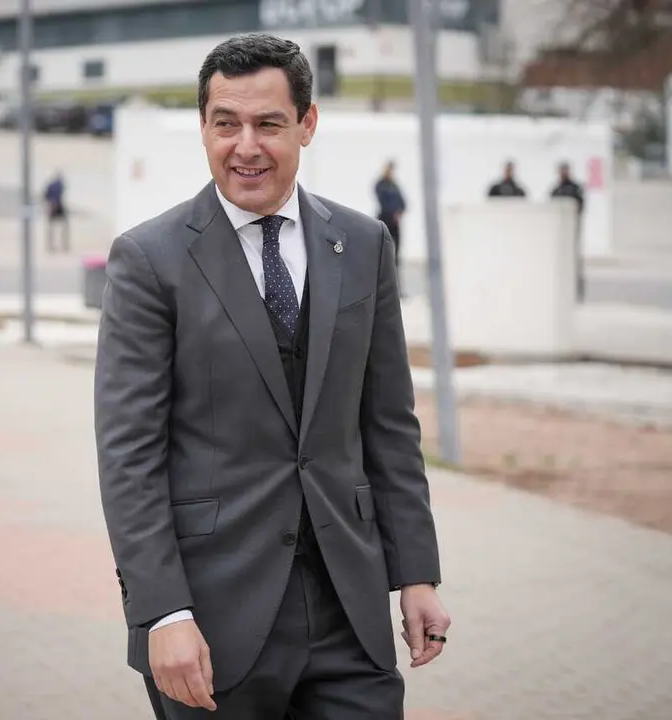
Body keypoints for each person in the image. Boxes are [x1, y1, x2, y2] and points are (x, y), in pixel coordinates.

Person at [95, 32, 449, 720]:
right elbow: (128, 457)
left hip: (351, 616)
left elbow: (388, 424)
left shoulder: (364, 243)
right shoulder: (148, 261)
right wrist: (161, 611)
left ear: (308, 124)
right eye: (225, 124)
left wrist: (416, 573)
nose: (245, 146)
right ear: (204, 127)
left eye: (268, 124)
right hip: (210, 623)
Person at [550, 161, 586, 301]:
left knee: (574, 262)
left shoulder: (575, 189)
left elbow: (580, 207)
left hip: (572, 231)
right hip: (559, 233)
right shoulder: (556, 189)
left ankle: (577, 293)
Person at [374, 160, 406, 277]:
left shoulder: (394, 185)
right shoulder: (381, 185)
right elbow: (382, 200)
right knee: (383, 252)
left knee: (396, 255)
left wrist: (398, 212)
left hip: (394, 222)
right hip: (385, 220)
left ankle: (397, 283)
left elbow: (403, 203)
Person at [43, 170, 69, 253]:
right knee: (62, 226)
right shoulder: (59, 185)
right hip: (57, 206)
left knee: (53, 228)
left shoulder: (51, 185)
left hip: (53, 206)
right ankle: (62, 245)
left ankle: (52, 246)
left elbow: (45, 196)